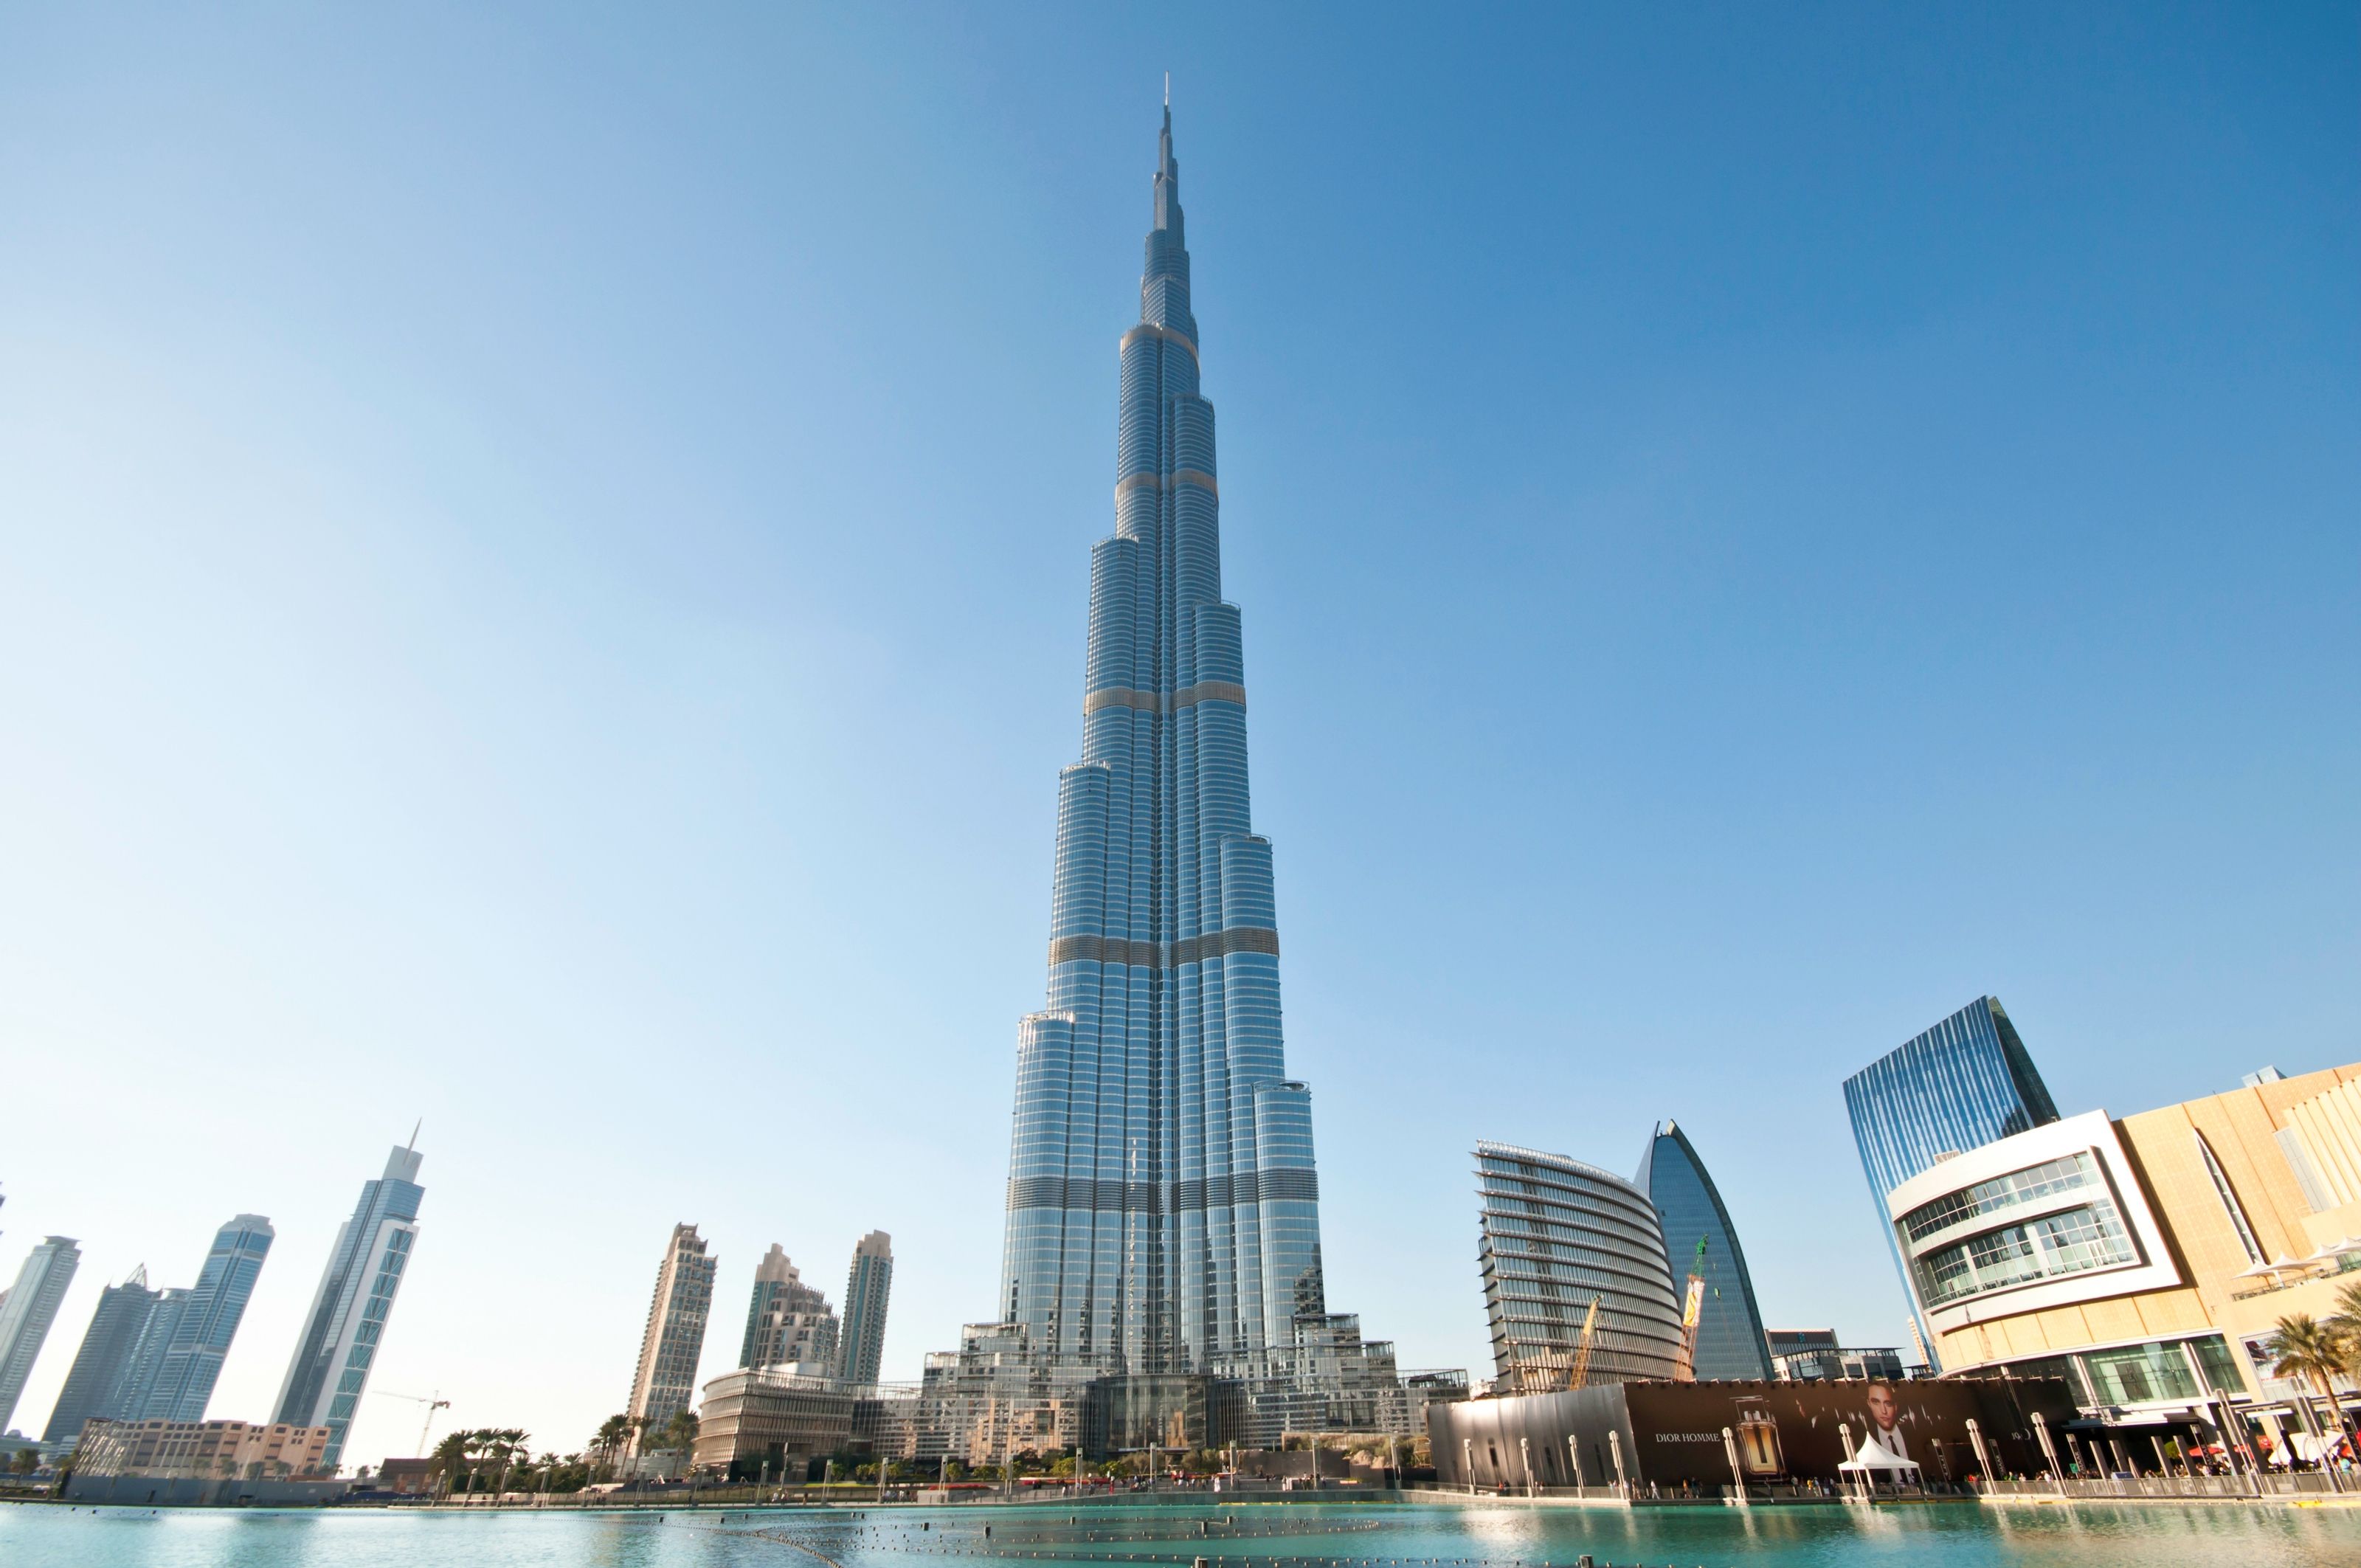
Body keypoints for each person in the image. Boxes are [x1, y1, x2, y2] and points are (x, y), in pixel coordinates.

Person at [1863, 1381, 1911, 1461]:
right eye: (1876, 1403)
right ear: (1869, 1404)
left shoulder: (1911, 1434)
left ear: (1895, 1406)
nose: (1883, 1411)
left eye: (1888, 1404)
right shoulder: (1867, 1441)